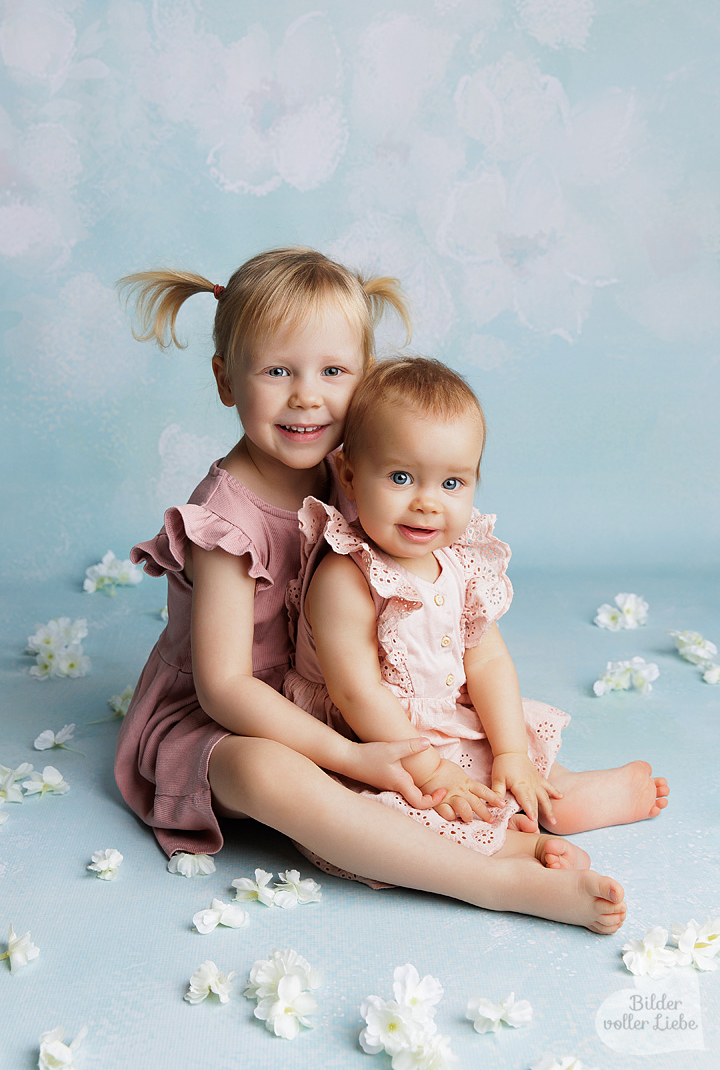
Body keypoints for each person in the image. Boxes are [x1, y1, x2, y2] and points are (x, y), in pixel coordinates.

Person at [114, 252, 638, 934]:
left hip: (341, 694)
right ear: (225, 379)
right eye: (277, 371)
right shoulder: (227, 520)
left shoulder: (361, 473)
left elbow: (445, 614)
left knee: (441, 716)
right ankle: (487, 878)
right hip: (232, 721)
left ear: (363, 380)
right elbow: (225, 690)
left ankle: (537, 796)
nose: (308, 397)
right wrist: (354, 757)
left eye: (333, 372)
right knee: (274, 775)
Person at [283, 356, 670, 926]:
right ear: (347, 473)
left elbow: (485, 658)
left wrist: (513, 749)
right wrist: (430, 770)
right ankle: (526, 852)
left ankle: (564, 797)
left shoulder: (457, 562)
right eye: (399, 477)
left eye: (452, 482)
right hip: (377, 740)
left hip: (445, 724)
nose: (427, 501)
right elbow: (356, 692)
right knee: (409, 814)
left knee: (502, 765)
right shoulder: (346, 575)